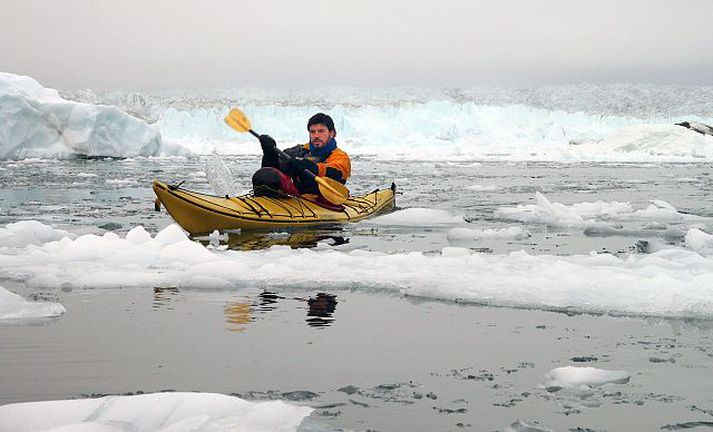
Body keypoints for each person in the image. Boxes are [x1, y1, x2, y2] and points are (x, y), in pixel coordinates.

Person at [251, 113, 351, 199]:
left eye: (321, 131)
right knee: (265, 175)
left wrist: (308, 166)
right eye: (313, 132)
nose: (316, 135)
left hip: (323, 198)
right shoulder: (299, 151)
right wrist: (269, 152)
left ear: (332, 133)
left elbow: (334, 174)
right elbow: (274, 170)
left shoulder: (341, 157)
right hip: (299, 197)